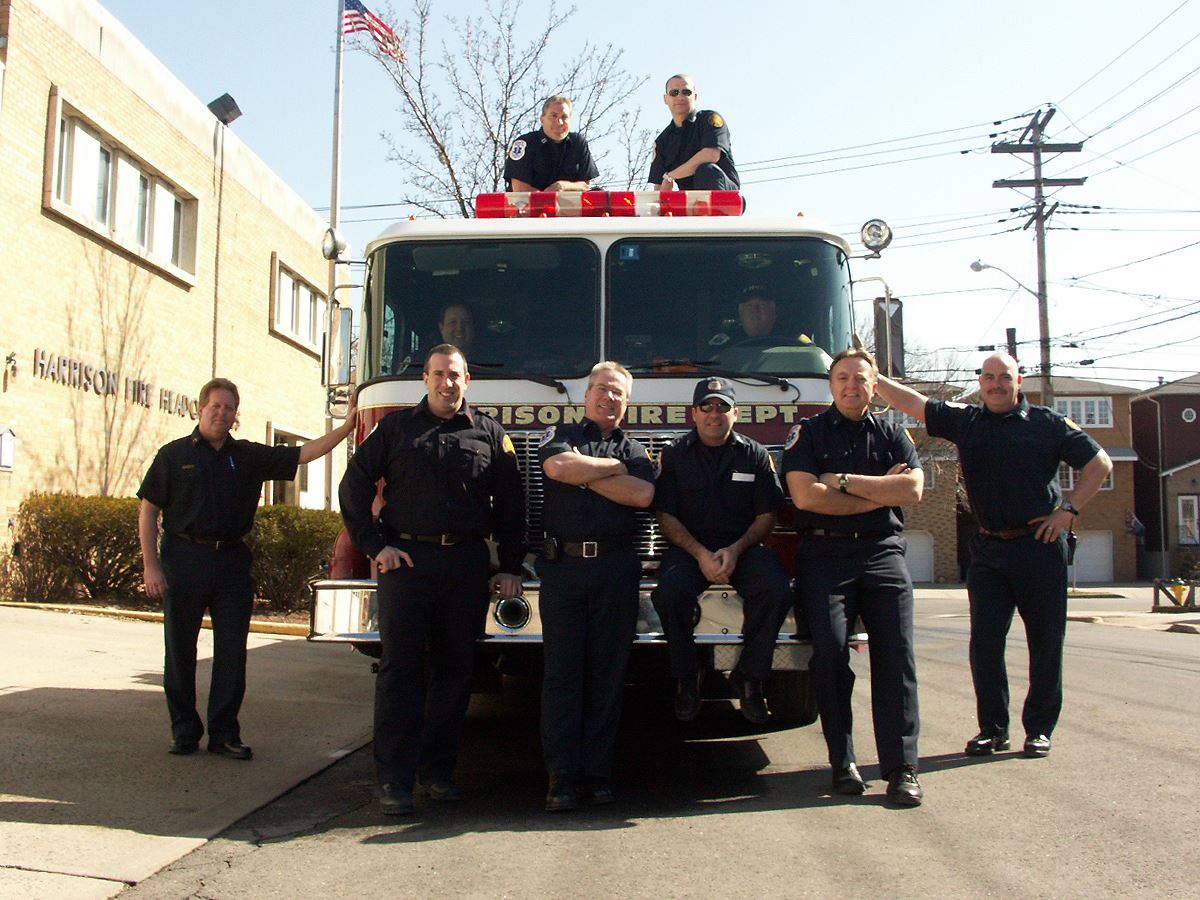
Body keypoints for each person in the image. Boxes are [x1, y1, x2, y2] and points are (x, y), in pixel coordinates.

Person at [874, 352, 1112, 760]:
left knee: (1045, 642)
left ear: (1019, 382)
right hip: (988, 549)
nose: (997, 384)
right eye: (989, 377)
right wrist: (873, 376)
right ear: (980, 382)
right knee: (984, 644)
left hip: (1039, 546)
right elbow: (913, 404)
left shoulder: (1048, 424)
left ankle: (1038, 730)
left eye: (1005, 377)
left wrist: (1068, 510)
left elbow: (1100, 463)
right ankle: (993, 729)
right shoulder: (966, 420)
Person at [338, 345, 525, 815]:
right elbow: (353, 485)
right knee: (401, 672)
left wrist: (508, 565)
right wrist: (374, 545)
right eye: (439, 375)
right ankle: (394, 782)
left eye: (456, 375)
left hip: (465, 564)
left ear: (468, 381)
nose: (448, 383)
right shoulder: (396, 429)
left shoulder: (489, 433)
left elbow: (511, 505)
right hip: (407, 563)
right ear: (425, 379)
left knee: (456, 673)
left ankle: (438, 774)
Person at [138, 378, 356, 761]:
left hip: (232, 564)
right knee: (180, 651)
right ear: (200, 408)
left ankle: (224, 733)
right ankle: (184, 731)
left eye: (229, 408)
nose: (221, 413)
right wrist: (151, 566)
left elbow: (304, 454)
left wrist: (346, 427)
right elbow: (148, 509)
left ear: (236, 415)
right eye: (215, 406)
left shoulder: (248, 456)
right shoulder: (172, 456)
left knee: (232, 653)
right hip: (184, 561)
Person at [782, 348, 925, 806]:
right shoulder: (808, 432)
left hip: (883, 553)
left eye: (860, 379)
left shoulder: (892, 432)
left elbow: (913, 489)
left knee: (896, 661)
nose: (851, 386)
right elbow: (805, 497)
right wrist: (879, 491)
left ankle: (901, 769)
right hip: (825, 555)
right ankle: (842, 762)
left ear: (873, 384)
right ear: (831, 383)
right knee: (829, 655)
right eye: (842, 378)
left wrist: (841, 481)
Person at [538, 361, 655, 811]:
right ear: (586, 395)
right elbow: (558, 468)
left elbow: (642, 495)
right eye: (602, 390)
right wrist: (610, 468)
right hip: (563, 569)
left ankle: (598, 775)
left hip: (616, 569)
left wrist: (587, 477)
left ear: (627, 403)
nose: (609, 398)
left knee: (607, 677)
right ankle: (561, 778)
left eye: (618, 393)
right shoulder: (561, 434)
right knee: (562, 677)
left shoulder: (638, 449)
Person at [652, 377, 791, 725]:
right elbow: (665, 516)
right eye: (707, 407)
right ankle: (688, 677)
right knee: (669, 594)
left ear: (736, 413)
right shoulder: (673, 455)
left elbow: (766, 516)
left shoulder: (755, 455)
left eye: (722, 407)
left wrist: (736, 549)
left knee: (775, 589)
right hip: (688, 550)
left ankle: (750, 677)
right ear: (694, 413)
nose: (715, 414)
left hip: (743, 548)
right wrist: (700, 553)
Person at [648, 74, 740, 192]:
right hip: (691, 203)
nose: (680, 97)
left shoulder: (709, 119)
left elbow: (711, 155)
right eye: (674, 93)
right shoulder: (663, 141)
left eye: (686, 92)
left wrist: (671, 176)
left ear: (695, 96)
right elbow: (660, 186)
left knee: (706, 170)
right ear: (666, 99)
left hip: (726, 199)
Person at [504, 95, 599, 193]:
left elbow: (585, 185)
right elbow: (520, 190)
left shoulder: (578, 143)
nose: (559, 122)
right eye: (554, 116)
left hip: (569, 206)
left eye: (564, 117)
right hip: (528, 206)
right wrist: (548, 200)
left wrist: (563, 186)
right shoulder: (525, 144)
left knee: (599, 196)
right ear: (542, 119)